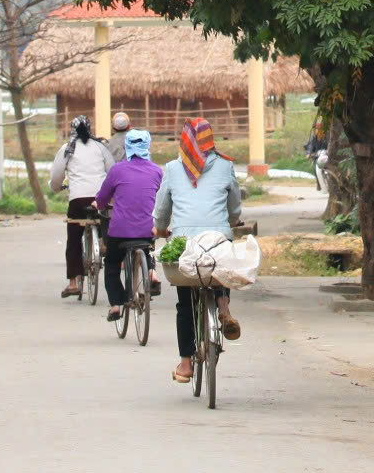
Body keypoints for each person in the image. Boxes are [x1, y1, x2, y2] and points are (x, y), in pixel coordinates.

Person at [154, 117, 245, 384]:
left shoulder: (172, 168)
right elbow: (234, 205)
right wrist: (230, 222)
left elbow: (162, 209)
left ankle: (185, 364)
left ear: (184, 140)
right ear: (210, 139)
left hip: (184, 243)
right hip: (217, 237)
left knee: (185, 303)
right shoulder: (226, 165)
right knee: (220, 265)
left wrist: (160, 230)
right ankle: (223, 306)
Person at [95, 129, 161, 320]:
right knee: (148, 247)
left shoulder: (117, 170)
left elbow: (102, 198)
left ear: (127, 147)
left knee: (112, 264)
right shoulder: (157, 171)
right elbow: (163, 199)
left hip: (120, 230)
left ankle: (116, 305)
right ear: (148, 146)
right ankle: (151, 270)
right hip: (146, 228)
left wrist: (99, 204)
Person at [48, 117, 115, 297]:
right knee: (104, 219)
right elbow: (112, 170)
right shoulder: (100, 147)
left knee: (74, 238)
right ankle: (102, 242)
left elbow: (56, 177)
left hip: (78, 199)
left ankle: (73, 282)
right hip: (100, 197)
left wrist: (55, 188)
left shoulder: (67, 149)